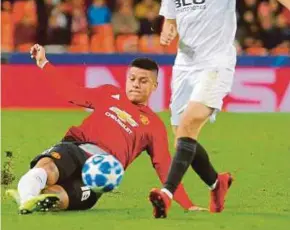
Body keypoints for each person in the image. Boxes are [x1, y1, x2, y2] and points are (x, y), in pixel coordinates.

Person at [149, 0, 290, 218]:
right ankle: (217, 183)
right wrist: (167, 30)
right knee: (182, 137)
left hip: (216, 63)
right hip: (185, 65)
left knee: (188, 125)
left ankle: (166, 194)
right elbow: (170, 18)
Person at [7, 44, 203, 215]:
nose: (135, 84)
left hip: (103, 174)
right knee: (48, 168)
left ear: (155, 85)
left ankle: (30, 197)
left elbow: (164, 165)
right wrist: (44, 64)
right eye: (132, 78)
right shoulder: (109, 93)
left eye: (143, 81)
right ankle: (27, 197)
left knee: (59, 199)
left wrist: (187, 204)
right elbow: (72, 93)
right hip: (77, 148)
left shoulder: (154, 125)